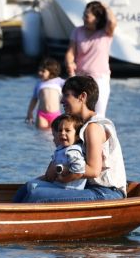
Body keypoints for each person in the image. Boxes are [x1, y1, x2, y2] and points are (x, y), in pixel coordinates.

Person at [15, 74, 126, 202]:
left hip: (107, 192)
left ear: (82, 97)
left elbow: (94, 170)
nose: (62, 101)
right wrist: (46, 175)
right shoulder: (79, 126)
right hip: (89, 188)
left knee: (37, 195)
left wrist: (58, 170)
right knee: (28, 188)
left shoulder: (93, 127)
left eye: (67, 95)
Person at [14, 114, 88, 201]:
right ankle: (16, 206)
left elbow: (79, 171)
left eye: (67, 130)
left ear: (77, 136)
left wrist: (64, 179)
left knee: (33, 188)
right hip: (59, 185)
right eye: (60, 130)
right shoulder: (62, 149)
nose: (62, 133)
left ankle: (21, 210)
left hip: (70, 189)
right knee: (31, 184)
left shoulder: (74, 151)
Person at [66, 0, 115, 117]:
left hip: (100, 78)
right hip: (80, 77)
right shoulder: (77, 31)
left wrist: (105, 7)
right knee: (76, 113)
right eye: (83, 14)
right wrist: (69, 64)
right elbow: (70, 52)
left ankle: (97, 134)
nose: (83, 18)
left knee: (98, 114)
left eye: (87, 16)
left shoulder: (105, 32)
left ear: (97, 18)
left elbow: (112, 21)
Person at [24, 55, 65, 131]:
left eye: (43, 71)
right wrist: (29, 112)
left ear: (52, 72)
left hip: (55, 115)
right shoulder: (39, 84)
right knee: (41, 134)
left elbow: (71, 87)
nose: (40, 73)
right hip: (42, 115)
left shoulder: (59, 81)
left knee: (53, 135)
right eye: (39, 70)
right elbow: (34, 99)